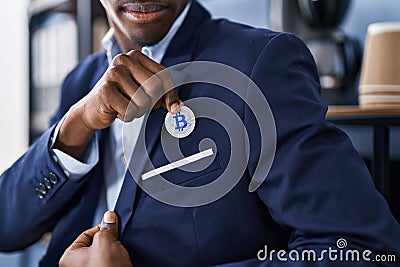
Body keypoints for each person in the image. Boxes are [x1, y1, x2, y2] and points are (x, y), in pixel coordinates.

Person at [0, 0, 399, 266]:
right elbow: (7, 228)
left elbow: (361, 248)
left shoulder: (259, 64)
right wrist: (77, 124)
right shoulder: (80, 81)